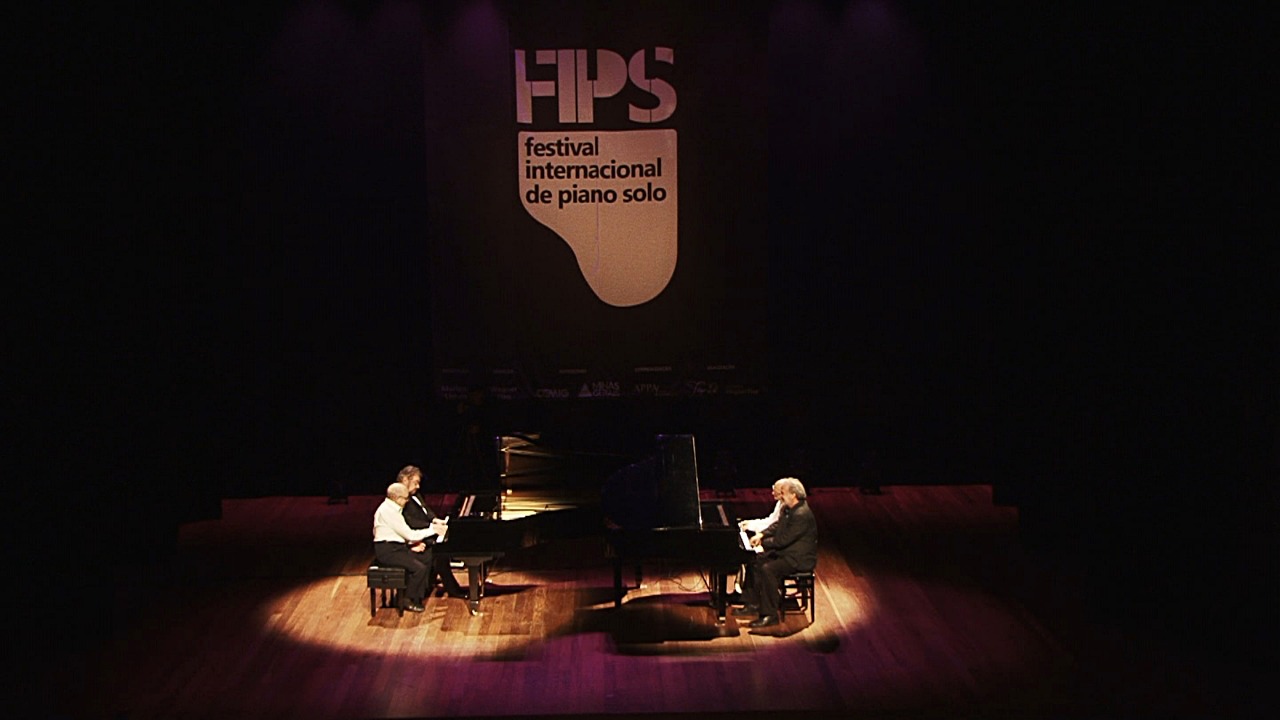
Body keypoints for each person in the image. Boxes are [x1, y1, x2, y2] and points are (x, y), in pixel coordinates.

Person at [739, 477, 818, 628]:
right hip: (787, 554)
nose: (781, 495)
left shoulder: (801, 514)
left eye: (783, 492)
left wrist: (762, 542)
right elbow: (777, 526)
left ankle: (770, 614)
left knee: (768, 569)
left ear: (793, 495)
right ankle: (753, 603)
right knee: (755, 559)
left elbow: (783, 540)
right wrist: (761, 534)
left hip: (797, 559)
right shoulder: (789, 509)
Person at [372, 482, 449, 612]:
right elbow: (410, 534)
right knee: (418, 568)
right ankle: (406, 599)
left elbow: (398, 534)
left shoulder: (392, 508)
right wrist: (434, 530)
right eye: (405, 498)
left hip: (397, 547)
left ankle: (419, 593)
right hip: (388, 551)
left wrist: (410, 545)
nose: (407, 501)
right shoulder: (388, 512)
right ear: (397, 498)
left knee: (426, 556)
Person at [396, 465, 465, 598]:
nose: (418, 486)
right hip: (412, 537)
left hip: (424, 532)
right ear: (405, 480)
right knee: (439, 553)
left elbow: (425, 510)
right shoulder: (400, 498)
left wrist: (435, 520)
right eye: (415, 483)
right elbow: (409, 522)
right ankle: (449, 589)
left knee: (441, 551)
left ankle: (439, 584)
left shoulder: (415, 495)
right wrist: (432, 528)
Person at [731, 478, 787, 594]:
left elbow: (773, 527)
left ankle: (754, 593)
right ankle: (744, 589)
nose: (772, 493)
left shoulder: (787, 508)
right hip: (772, 539)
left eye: (775, 491)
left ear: (782, 492)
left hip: (779, 546)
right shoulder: (780, 503)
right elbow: (769, 521)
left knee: (753, 557)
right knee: (748, 554)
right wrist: (750, 524)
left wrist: (759, 535)